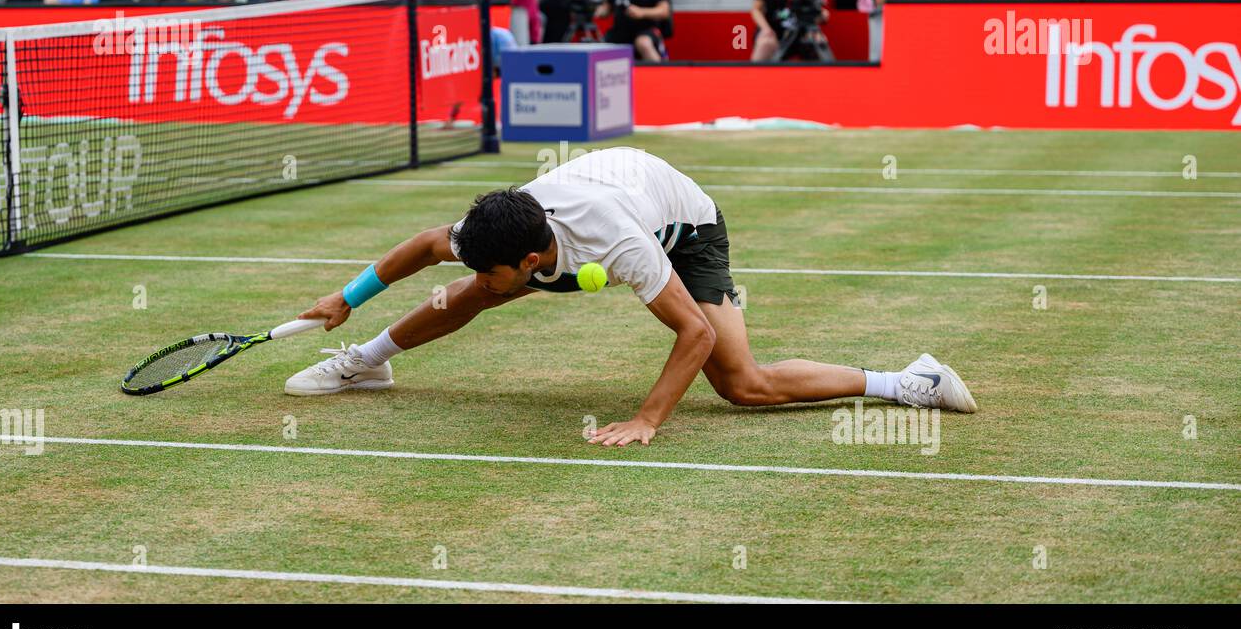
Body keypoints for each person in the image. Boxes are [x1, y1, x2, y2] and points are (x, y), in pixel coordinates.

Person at [285, 147, 978, 445]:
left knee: (742, 383)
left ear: (528, 259)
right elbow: (423, 245)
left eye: (498, 268)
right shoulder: (497, 227)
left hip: (685, 227)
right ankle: (366, 360)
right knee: (471, 295)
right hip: (608, 204)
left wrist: (647, 418)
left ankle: (907, 383)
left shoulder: (617, 244)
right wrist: (349, 295)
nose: (472, 267)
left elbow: (694, 337)